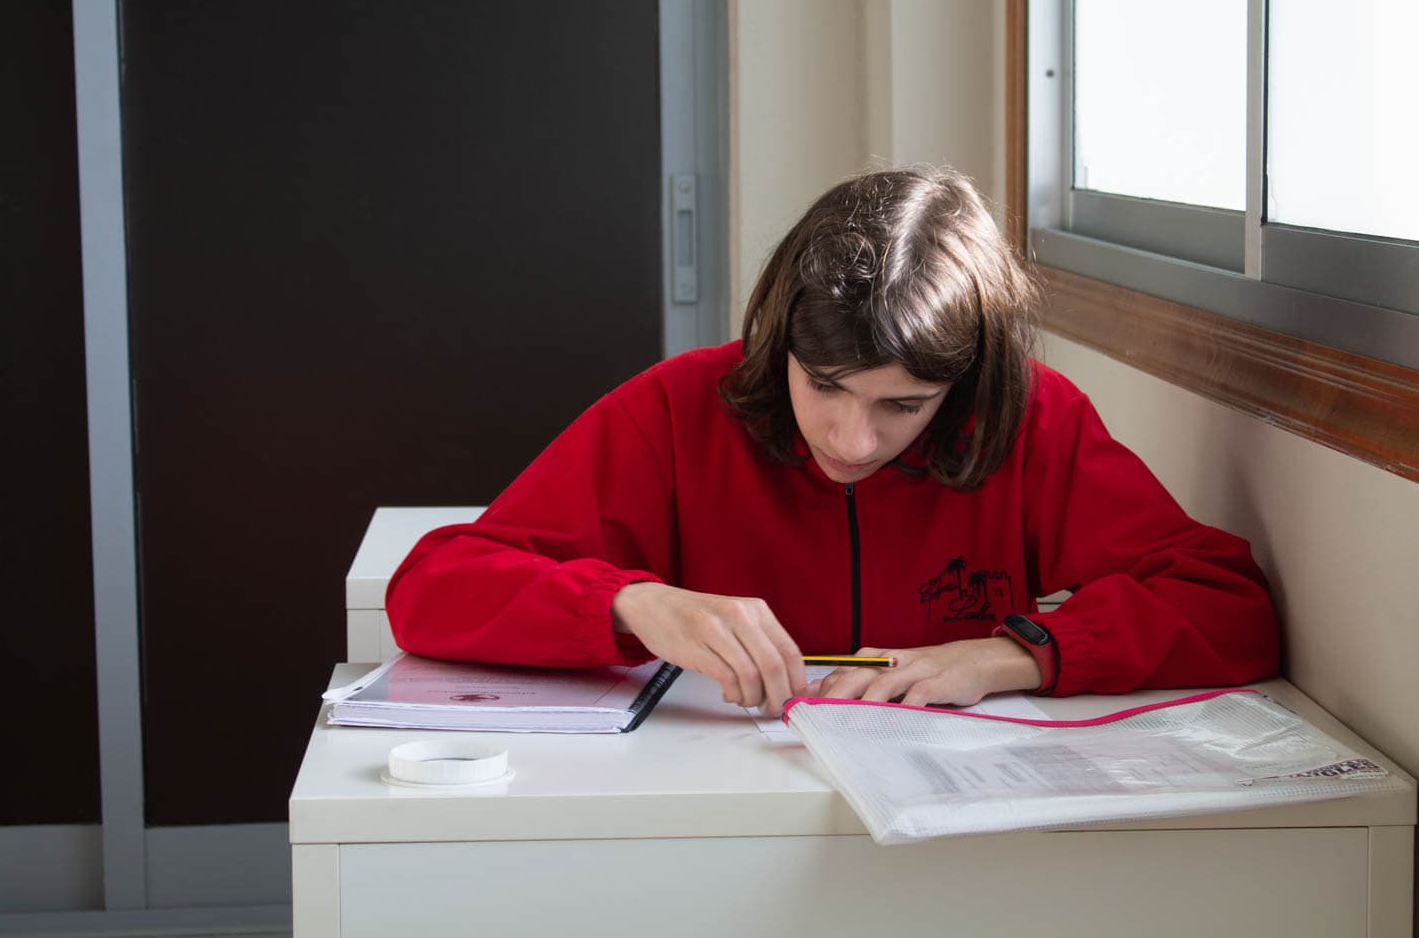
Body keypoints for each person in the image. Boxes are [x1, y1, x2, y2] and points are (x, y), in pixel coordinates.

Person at [387, 167, 1279, 716]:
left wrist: (1012, 657)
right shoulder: (671, 409)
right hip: (710, 825)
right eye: (824, 387)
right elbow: (432, 589)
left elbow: (1226, 607)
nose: (854, 439)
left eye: (907, 403)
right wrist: (635, 605)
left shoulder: (1032, 421)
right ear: (781, 344)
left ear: (963, 383)